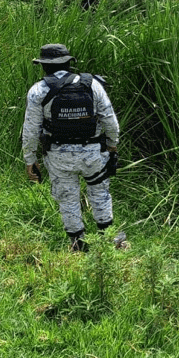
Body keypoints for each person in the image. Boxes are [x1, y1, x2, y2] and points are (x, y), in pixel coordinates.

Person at [21, 43, 121, 252]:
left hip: (59, 157)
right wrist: (112, 147)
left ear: (43, 66)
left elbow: (30, 131)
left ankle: (78, 246)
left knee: (67, 198)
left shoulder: (38, 90)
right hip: (93, 154)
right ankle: (109, 242)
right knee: (100, 194)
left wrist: (30, 160)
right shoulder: (92, 85)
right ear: (69, 63)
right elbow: (111, 122)